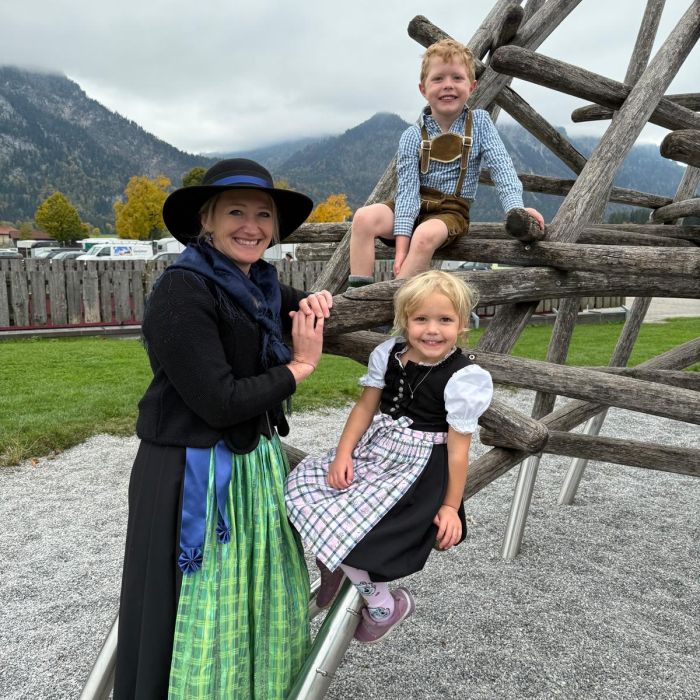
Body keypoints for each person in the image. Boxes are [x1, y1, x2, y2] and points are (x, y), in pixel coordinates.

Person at [114, 158, 333, 699]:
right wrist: (299, 367)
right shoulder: (183, 291)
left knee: (252, 595)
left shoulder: (257, 285)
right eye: (236, 212)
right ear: (206, 220)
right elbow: (219, 401)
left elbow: (301, 306)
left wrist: (320, 301)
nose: (252, 226)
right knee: (195, 604)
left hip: (249, 465)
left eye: (263, 215)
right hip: (189, 469)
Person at [285, 270, 493, 643]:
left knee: (364, 531)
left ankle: (382, 605)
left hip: (418, 469)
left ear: (462, 324)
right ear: (404, 320)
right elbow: (365, 408)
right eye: (421, 319)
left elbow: (459, 451)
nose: (432, 330)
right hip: (378, 452)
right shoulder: (388, 354)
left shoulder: (464, 378)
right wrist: (343, 454)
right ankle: (335, 565)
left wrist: (450, 506)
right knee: (303, 490)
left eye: (445, 320)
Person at [348, 38, 545, 287]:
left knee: (424, 235)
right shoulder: (412, 136)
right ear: (423, 89)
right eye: (438, 79)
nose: (448, 85)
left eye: (457, 78)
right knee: (363, 218)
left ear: (472, 86)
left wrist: (516, 209)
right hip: (413, 206)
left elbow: (502, 168)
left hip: (451, 211)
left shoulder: (480, 123)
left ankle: (397, 302)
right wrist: (401, 249)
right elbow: (407, 193)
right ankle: (359, 294)